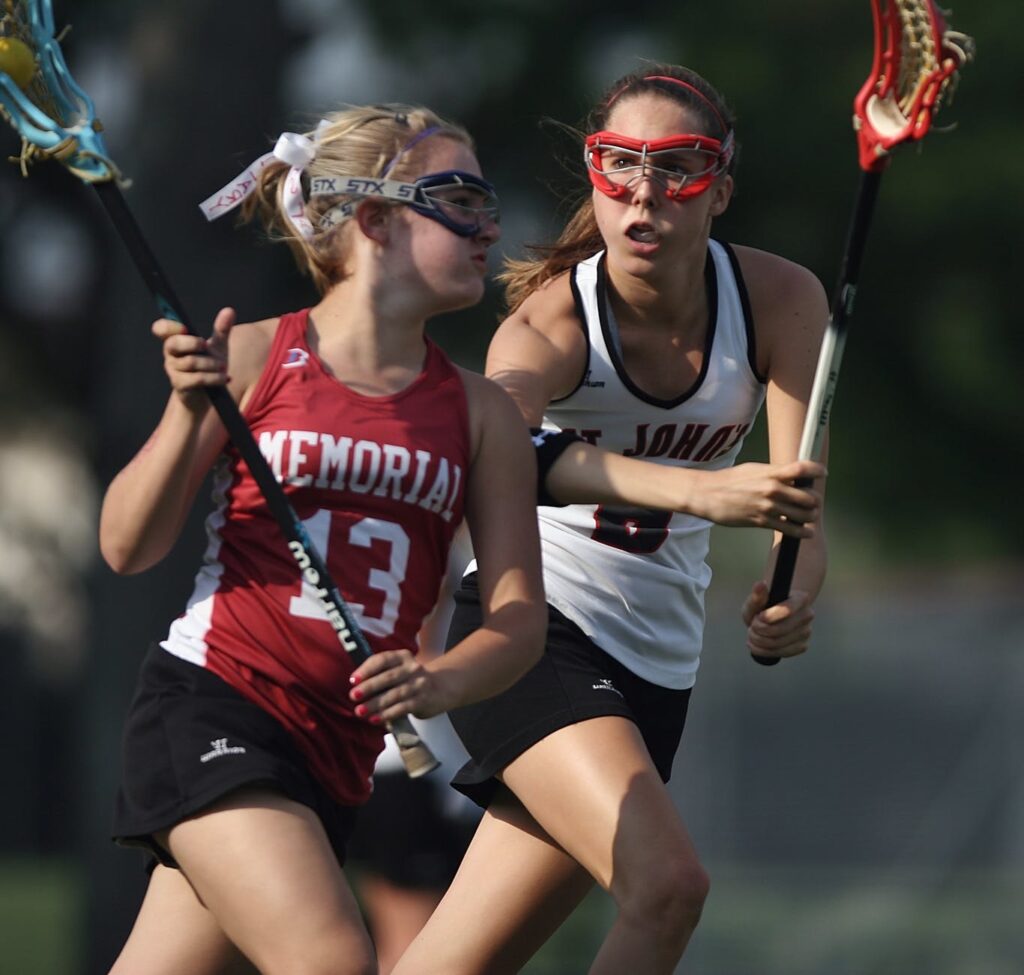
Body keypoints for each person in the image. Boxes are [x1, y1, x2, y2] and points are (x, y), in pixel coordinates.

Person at [392, 64, 829, 975]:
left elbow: (801, 506)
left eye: (680, 166)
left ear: (721, 191)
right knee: (669, 887)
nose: (646, 191)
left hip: (656, 671)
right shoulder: (549, 322)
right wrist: (699, 490)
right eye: (619, 161)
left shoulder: (783, 301)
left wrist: (793, 595)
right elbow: (502, 450)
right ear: (594, 176)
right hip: (536, 638)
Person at [99, 104, 546, 975]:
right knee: (333, 961)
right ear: (374, 220)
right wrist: (188, 411)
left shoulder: (481, 412)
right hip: (217, 705)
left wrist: (438, 677)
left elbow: (518, 620)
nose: (489, 226)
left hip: (335, 750)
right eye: (459, 199)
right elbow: (126, 545)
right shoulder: (254, 355)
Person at [345, 529, 480, 975]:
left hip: (385, 768)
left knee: (394, 948)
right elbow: (418, 653)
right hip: (412, 771)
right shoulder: (434, 543)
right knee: (414, 948)